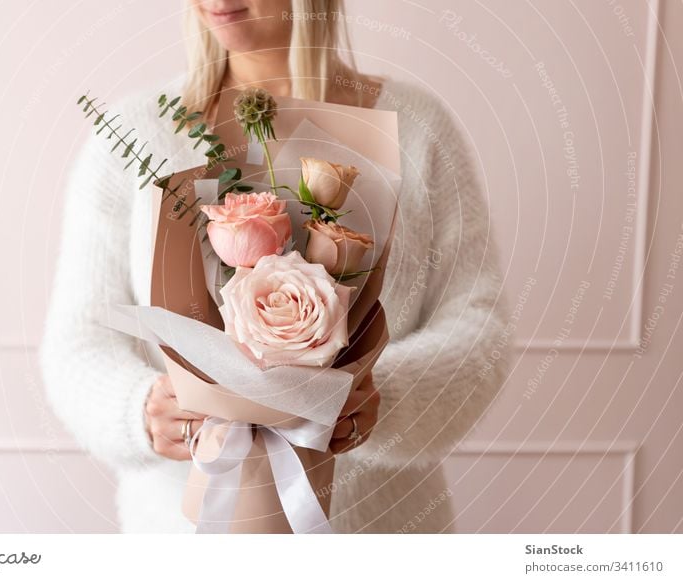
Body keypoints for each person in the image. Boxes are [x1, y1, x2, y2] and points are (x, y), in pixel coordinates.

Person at [39, 0, 512, 533]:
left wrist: (382, 395)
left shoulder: (419, 130)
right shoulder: (133, 136)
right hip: (179, 534)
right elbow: (77, 341)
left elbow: (480, 325)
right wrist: (139, 408)